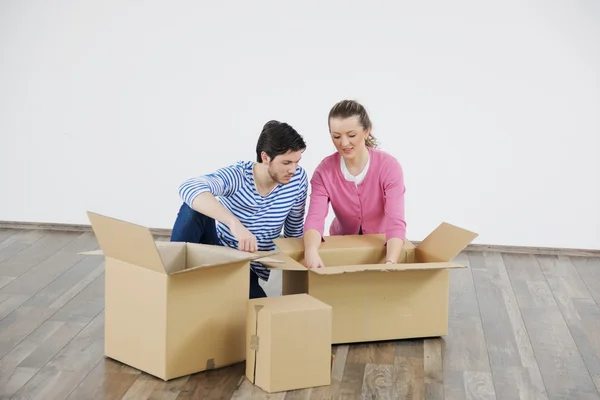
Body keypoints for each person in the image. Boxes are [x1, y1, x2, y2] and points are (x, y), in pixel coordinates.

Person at [170, 120, 309, 298]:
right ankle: (171, 281)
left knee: (259, 315)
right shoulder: (238, 175)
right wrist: (234, 224)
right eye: (287, 162)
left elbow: (294, 230)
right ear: (265, 157)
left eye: (297, 162)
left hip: (248, 267)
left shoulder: (297, 179)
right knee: (193, 207)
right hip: (217, 251)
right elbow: (189, 187)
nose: (293, 169)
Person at [303, 99, 407, 269]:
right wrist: (311, 250)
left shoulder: (389, 167)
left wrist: (391, 262)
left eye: (351, 135)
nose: (344, 143)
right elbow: (315, 218)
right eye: (336, 136)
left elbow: (396, 221)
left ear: (366, 132)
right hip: (341, 243)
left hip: (381, 244)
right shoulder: (324, 171)